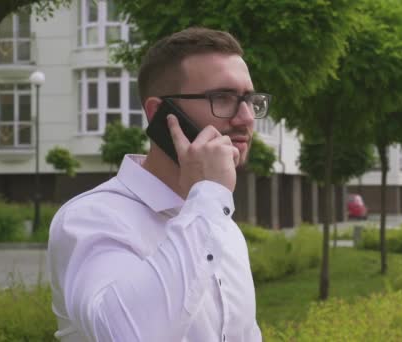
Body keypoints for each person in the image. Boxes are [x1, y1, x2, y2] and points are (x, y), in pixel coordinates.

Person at [47, 27, 270, 341]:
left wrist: (207, 205)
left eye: (250, 100)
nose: (246, 118)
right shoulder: (89, 219)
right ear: (161, 114)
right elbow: (128, 333)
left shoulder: (221, 225)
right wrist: (207, 199)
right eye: (222, 98)